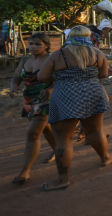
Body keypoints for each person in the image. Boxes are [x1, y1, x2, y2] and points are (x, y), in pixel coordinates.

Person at [37, 26, 112, 191]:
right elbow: (103, 74)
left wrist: (59, 76)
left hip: (65, 95)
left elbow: (42, 76)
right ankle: (105, 157)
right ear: (88, 37)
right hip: (92, 93)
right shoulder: (97, 53)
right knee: (95, 131)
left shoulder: (58, 55)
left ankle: (63, 179)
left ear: (69, 37)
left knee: (63, 139)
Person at [9, 33, 56, 184]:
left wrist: (50, 90)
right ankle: (60, 150)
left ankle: (25, 171)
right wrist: (13, 87)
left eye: (38, 44)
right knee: (45, 128)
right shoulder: (25, 60)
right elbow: (16, 77)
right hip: (29, 100)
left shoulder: (50, 60)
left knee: (33, 133)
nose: (33, 47)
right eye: (31, 44)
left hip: (46, 100)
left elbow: (59, 78)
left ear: (46, 45)